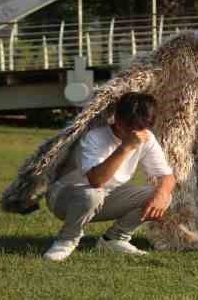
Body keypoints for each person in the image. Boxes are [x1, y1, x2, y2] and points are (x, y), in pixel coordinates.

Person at [43, 92, 176, 261]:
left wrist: (162, 195)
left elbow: (167, 177)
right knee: (92, 193)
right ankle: (66, 240)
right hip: (64, 198)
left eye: (142, 128)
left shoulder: (147, 138)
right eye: (130, 128)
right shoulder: (94, 137)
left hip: (103, 196)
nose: (135, 133)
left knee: (163, 194)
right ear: (117, 119)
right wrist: (125, 148)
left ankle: (114, 239)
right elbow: (96, 180)